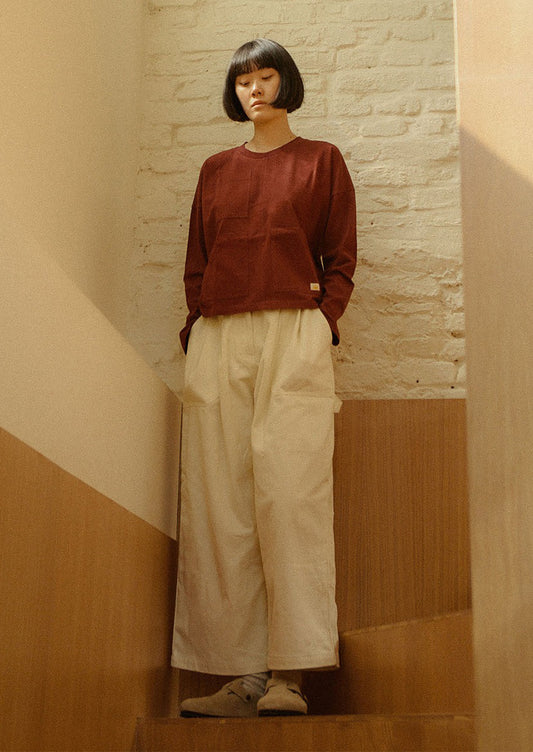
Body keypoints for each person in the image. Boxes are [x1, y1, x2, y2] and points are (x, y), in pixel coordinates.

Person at [172, 38, 357, 718]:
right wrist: (197, 327)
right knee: (220, 502)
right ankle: (241, 674)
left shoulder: (320, 160)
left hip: (294, 328)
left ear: (286, 82)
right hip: (219, 333)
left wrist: (323, 322)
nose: (254, 89)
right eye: (242, 80)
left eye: (265, 76)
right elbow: (197, 259)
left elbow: (341, 255)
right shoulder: (216, 169)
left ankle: (290, 674)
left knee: (290, 495)